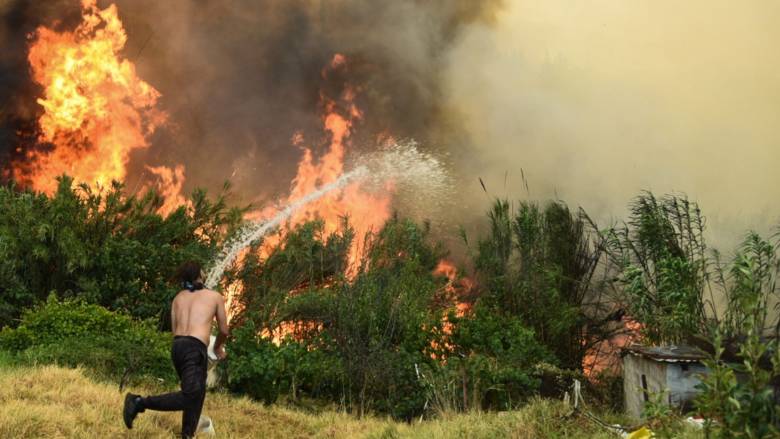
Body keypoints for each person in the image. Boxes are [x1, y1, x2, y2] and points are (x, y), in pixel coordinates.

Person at [123, 261, 229, 438]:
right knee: (191, 396)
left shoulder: (178, 298)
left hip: (178, 347)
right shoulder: (214, 296)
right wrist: (217, 348)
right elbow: (224, 331)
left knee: (197, 393)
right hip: (195, 349)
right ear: (199, 275)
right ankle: (139, 402)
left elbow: (175, 329)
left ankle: (187, 435)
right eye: (202, 271)